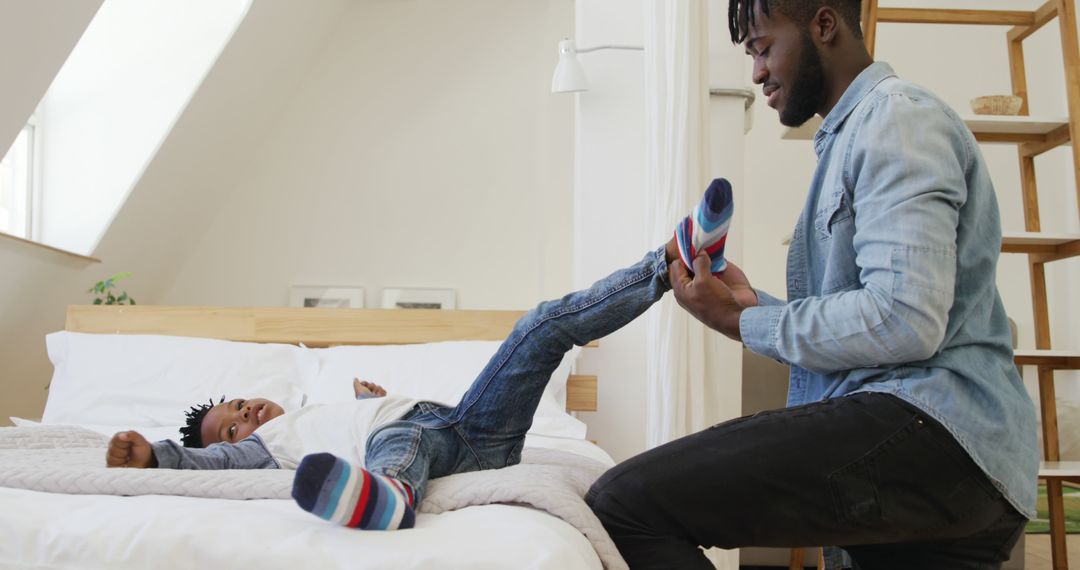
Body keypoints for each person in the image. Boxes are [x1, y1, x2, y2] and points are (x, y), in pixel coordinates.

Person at [584, 1, 1038, 569]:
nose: (756, 72)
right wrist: (752, 306)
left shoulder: (897, 120)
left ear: (824, 26)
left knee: (624, 504)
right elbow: (877, 313)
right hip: (958, 468)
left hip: (936, 433)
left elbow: (904, 320)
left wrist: (741, 321)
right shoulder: (854, 138)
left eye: (762, 47)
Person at [105, 183, 733, 532]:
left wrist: (368, 402)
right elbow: (205, 464)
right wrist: (154, 455)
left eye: (238, 405)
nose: (246, 416)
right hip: (419, 444)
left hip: (472, 427)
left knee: (542, 325)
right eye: (234, 428)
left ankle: (672, 261)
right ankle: (390, 501)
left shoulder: (313, 414)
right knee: (402, 444)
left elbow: (368, 421)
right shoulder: (274, 449)